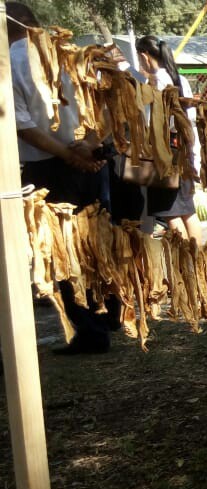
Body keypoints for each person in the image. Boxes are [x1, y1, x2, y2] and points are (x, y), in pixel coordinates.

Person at [8, 1, 112, 354]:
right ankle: (106, 317)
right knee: (93, 241)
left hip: (49, 166)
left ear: (10, 27)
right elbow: (105, 105)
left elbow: (23, 125)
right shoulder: (75, 54)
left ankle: (88, 330)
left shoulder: (10, 62)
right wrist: (90, 146)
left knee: (62, 249)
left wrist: (70, 154)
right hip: (87, 160)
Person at [135, 35, 202, 244]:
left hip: (163, 156)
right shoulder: (178, 78)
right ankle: (200, 262)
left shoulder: (156, 82)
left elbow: (151, 121)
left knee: (171, 214)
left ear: (145, 57)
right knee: (187, 212)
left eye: (139, 58)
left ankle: (186, 265)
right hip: (183, 150)